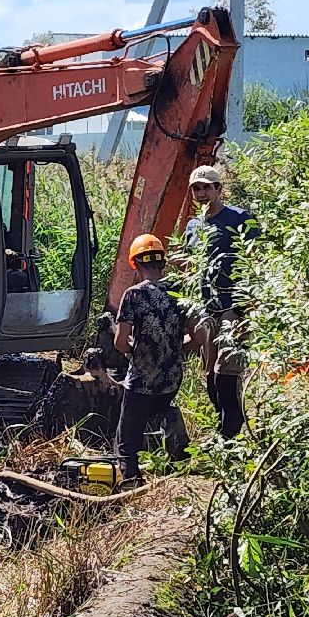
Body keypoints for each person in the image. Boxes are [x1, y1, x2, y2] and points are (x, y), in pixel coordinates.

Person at [183, 164, 262, 439]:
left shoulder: (240, 219)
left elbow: (258, 259)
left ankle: (229, 438)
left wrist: (249, 303)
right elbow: (190, 266)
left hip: (233, 307)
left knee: (225, 374)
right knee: (210, 376)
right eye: (197, 188)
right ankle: (224, 431)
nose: (202, 193)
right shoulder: (194, 226)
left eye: (207, 187)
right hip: (207, 309)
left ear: (219, 189)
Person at [112, 233, 190, 480]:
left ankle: (129, 480)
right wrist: (173, 349)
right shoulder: (179, 291)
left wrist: (136, 352)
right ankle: (178, 464)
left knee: (127, 437)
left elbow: (120, 342)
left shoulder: (133, 295)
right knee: (163, 414)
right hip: (172, 377)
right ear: (163, 262)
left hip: (141, 380)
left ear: (136, 263)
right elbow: (196, 337)